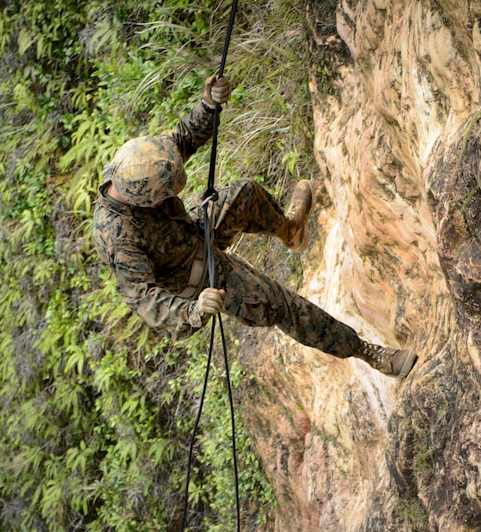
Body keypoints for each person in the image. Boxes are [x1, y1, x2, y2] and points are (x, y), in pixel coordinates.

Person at [92, 74, 417, 377]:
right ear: (143, 201)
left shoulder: (138, 163)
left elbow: (181, 141)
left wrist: (208, 105)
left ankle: (290, 231)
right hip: (197, 280)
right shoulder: (118, 237)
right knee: (279, 303)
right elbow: (145, 300)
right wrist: (194, 311)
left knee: (244, 194)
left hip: (193, 234)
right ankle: (368, 353)